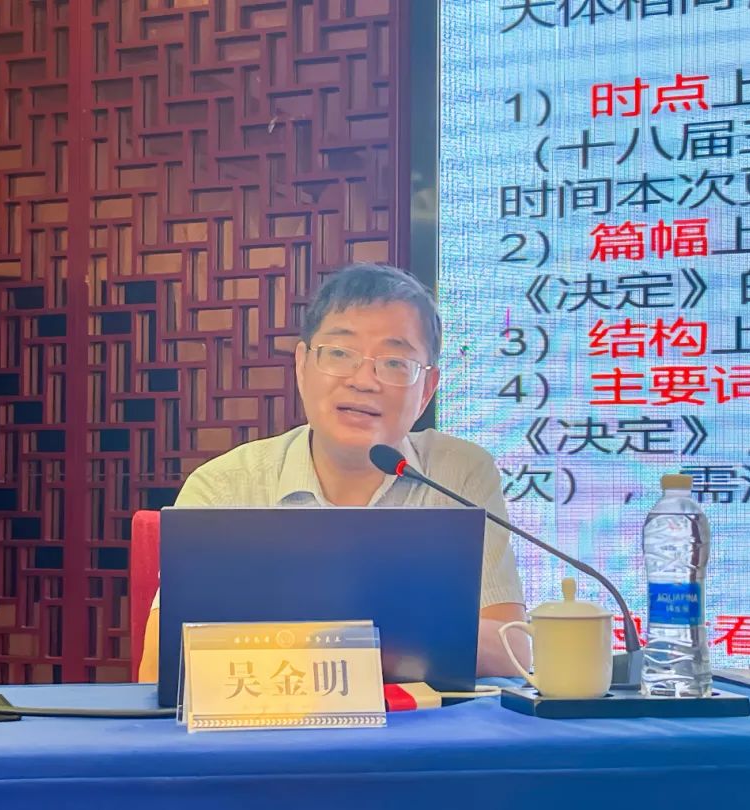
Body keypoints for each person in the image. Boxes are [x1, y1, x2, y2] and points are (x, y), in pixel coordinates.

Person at [139, 263, 531, 681]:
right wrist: (392, 636)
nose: (364, 381)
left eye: (395, 362)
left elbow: (513, 653)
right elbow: (159, 667)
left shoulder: (458, 475)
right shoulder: (224, 486)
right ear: (302, 365)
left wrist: (313, 632)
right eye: (340, 354)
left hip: (418, 722)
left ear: (426, 390)